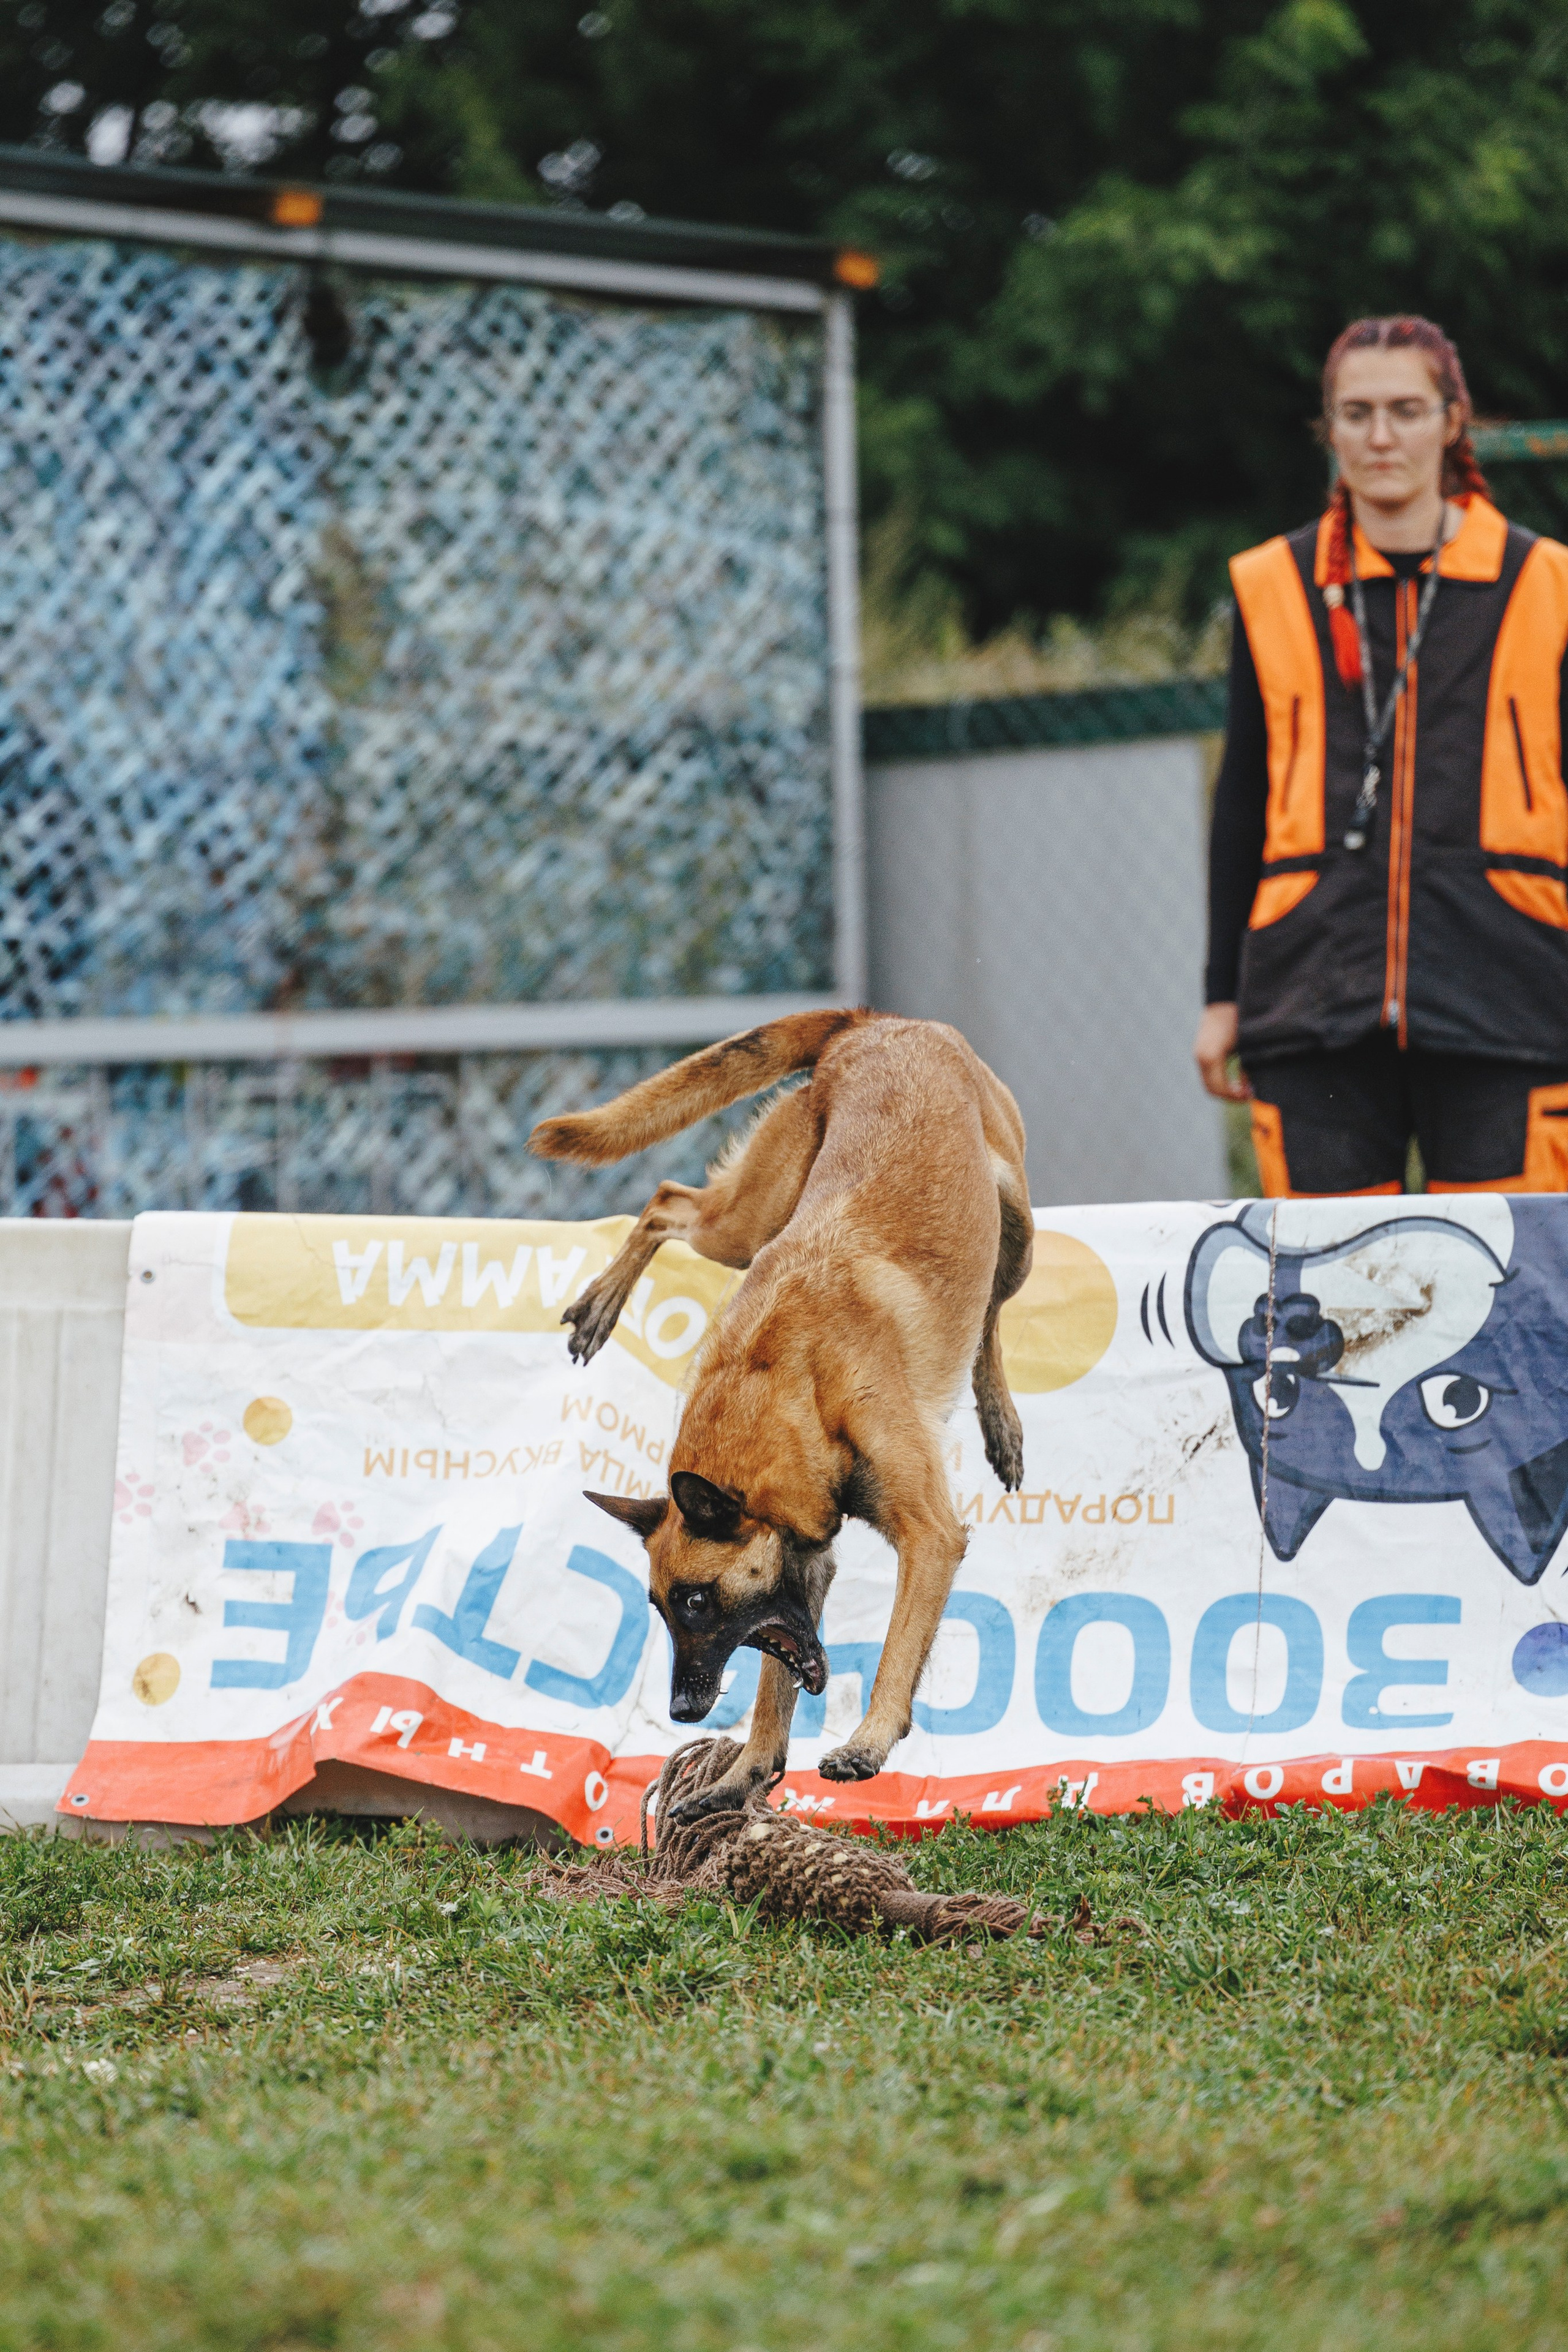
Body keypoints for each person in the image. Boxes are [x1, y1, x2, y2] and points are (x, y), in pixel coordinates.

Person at [1194, 315, 1568, 1196]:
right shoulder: (1272, 586)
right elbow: (1243, 797)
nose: (1381, 435)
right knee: (1333, 1317)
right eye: (1356, 413)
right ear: (1329, 429)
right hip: (1310, 999)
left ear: (1452, 420)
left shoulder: (1548, 585)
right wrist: (1222, 996)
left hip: (1510, 1001)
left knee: (1510, 1311)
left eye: (1406, 409)